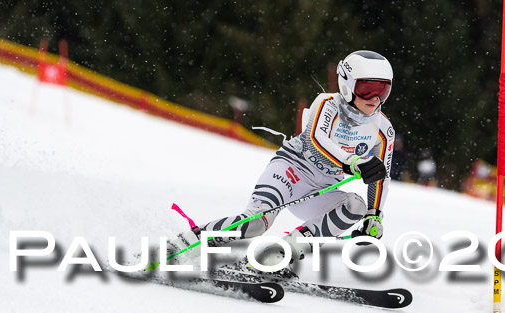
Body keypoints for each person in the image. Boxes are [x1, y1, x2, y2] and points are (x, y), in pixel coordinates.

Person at [167, 50, 396, 277]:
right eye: (366, 89)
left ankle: (274, 256)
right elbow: (316, 140)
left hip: (322, 189)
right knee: (255, 224)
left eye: (383, 90)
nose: (375, 99)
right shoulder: (327, 105)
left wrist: (374, 215)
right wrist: (352, 161)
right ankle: (179, 247)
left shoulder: (384, 130)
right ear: (347, 85)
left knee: (355, 206)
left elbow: (381, 176)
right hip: (290, 172)